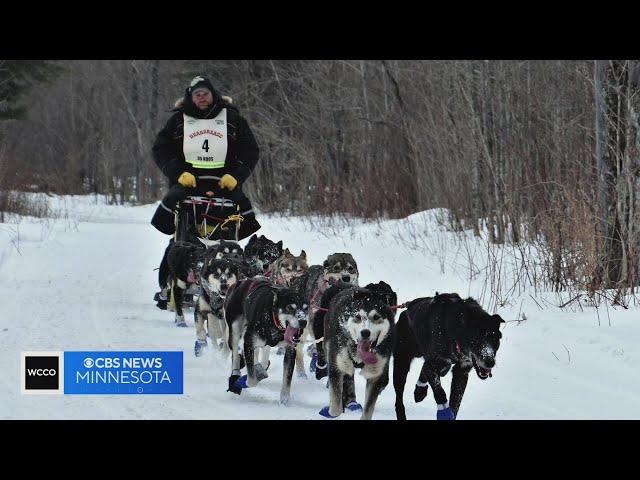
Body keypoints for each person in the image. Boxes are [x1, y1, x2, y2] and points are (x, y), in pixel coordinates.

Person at [151, 75, 261, 309]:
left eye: (206, 93)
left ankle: (235, 285)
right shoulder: (178, 120)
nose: (202, 98)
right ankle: (170, 285)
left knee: (232, 237)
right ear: (191, 97)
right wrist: (177, 173)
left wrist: (237, 175)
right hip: (187, 187)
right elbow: (160, 150)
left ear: (214, 95)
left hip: (226, 188)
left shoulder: (232, 118)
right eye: (197, 94)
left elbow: (250, 150)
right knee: (181, 239)